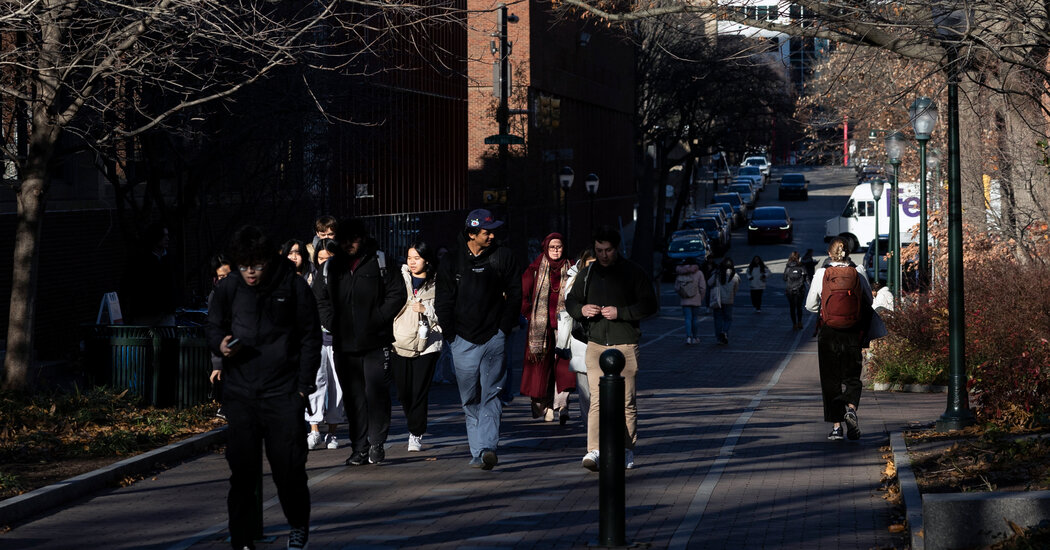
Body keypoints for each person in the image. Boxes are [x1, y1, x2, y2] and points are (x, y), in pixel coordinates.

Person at [206, 225, 321, 550]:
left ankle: (298, 526)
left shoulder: (292, 285)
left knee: (289, 469)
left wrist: (302, 388)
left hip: (282, 392)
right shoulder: (229, 287)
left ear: (267, 260)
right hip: (241, 393)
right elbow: (212, 325)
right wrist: (221, 345)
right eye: (244, 266)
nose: (250, 273)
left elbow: (310, 336)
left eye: (256, 265)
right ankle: (242, 540)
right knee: (242, 472)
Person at [314, 219, 406, 466]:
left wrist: (378, 318)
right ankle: (359, 448)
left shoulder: (380, 262)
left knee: (376, 394)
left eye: (353, 239)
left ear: (363, 238)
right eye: (344, 240)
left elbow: (397, 294)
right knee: (353, 398)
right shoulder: (331, 268)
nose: (348, 244)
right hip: (344, 344)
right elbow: (320, 299)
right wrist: (334, 323)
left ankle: (376, 442)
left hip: (376, 342)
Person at [435, 208, 521, 470]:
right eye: (487, 231)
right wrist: (452, 337)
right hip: (462, 341)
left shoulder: (503, 257)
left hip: (494, 337)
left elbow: (515, 295)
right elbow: (443, 302)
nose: (492, 235)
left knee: (492, 394)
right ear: (471, 233)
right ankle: (477, 451)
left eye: (493, 231)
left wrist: (503, 330)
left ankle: (487, 448)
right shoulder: (451, 261)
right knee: (469, 398)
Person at [565, 227, 658, 471]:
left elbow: (650, 304)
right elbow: (571, 301)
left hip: (625, 344)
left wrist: (622, 313)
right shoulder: (587, 274)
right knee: (597, 400)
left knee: (626, 401)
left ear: (617, 248)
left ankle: (627, 448)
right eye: (599, 250)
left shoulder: (633, 273)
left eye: (608, 250)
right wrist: (581, 310)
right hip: (595, 344)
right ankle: (594, 450)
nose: (603, 255)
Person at [805, 236, 873, 442]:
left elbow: (809, 304)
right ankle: (851, 410)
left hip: (829, 332)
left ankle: (836, 427)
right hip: (852, 330)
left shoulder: (822, 274)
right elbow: (869, 299)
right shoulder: (858, 271)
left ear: (829, 253)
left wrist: (824, 312)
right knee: (852, 375)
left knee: (830, 379)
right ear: (848, 253)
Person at [391, 241, 443, 452]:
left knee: (419, 389)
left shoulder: (438, 282)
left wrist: (426, 308)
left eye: (417, 258)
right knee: (404, 391)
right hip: (400, 340)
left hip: (429, 344)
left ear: (427, 260)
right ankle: (414, 423)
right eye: (410, 257)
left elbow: (446, 311)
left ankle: (415, 433)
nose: (412, 262)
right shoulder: (398, 279)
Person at [520, 233, 575, 423]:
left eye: (559, 247)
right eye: (552, 247)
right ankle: (546, 405)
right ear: (546, 248)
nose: (556, 251)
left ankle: (562, 405)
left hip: (564, 326)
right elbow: (523, 294)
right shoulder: (535, 268)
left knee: (563, 366)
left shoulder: (572, 267)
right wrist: (530, 314)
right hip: (541, 329)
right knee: (543, 369)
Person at [305, 238, 346, 450]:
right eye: (320, 258)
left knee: (337, 386)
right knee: (315, 383)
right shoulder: (309, 277)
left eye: (328, 258)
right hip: (315, 340)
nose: (324, 262)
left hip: (338, 340)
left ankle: (332, 432)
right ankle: (314, 429)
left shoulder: (343, 277)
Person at [556, 249, 595, 430]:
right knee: (585, 390)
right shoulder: (574, 279)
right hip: (581, 339)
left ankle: (601, 430)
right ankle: (591, 430)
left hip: (604, 340)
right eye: (589, 264)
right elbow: (568, 303)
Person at [121, 221, 178, 326]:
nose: (167, 239)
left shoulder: (168, 259)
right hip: (146, 313)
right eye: (164, 236)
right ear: (155, 237)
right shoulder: (141, 260)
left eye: (167, 235)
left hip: (164, 313)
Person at [208, 254, 232, 420]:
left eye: (228, 276)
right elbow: (215, 331)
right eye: (221, 277)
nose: (225, 280)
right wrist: (217, 364)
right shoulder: (215, 298)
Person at [707, 258, 741, 345]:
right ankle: (724, 331)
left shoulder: (717, 274)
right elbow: (736, 289)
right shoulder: (735, 276)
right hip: (729, 300)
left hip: (717, 299)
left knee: (718, 319)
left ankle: (719, 337)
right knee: (728, 318)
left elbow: (709, 283)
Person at [674, 257, 706, 344]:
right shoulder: (699, 273)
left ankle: (688, 337)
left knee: (687, 318)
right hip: (696, 299)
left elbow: (676, 287)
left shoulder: (681, 272)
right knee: (695, 319)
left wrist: (681, 293)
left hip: (685, 299)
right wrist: (701, 298)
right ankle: (695, 337)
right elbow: (703, 288)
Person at [783, 251, 808, 330]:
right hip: (800, 289)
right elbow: (806, 277)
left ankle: (794, 324)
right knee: (799, 307)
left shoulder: (788, 267)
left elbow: (784, 278)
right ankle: (800, 322)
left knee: (792, 307)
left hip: (790, 289)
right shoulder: (801, 266)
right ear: (798, 257)